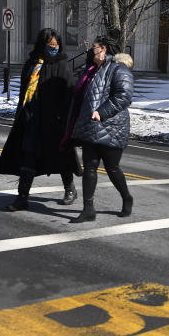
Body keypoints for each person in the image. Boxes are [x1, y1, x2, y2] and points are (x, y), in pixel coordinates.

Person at [0, 28, 79, 210]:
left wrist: (63, 119)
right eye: (50, 45)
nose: (54, 48)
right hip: (31, 118)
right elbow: (24, 91)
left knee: (61, 156)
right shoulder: (31, 64)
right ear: (42, 45)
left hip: (54, 121)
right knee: (29, 156)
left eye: (56, 45)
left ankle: (70, 189)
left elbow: (68, 94)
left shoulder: (61, 64)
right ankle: (22, 197)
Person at [63, 36, 134, 223]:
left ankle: (126, 197)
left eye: (93, 48)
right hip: (91, 126)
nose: (90, 51)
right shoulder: (92, 70)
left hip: (112, 126)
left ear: (103, 49)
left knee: (112, 168)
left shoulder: (119, 69)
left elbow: (124, 96)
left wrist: (101, 112)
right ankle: (88, 209)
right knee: (90, 168)